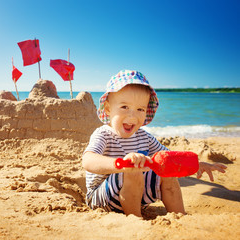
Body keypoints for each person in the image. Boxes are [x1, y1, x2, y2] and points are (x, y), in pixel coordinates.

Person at [82, 70, 227, 217]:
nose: (132, 115)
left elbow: (171, 158)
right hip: (101, 199)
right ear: (108, 108)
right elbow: (88, 160)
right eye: (124, 107)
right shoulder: (103, 134)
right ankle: (135, 220)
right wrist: (121, 164)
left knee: (167, 169)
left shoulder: (144, 137)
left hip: (135, 196)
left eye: (140, 109)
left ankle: (179, 215)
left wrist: (199, 164)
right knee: (133, 170)